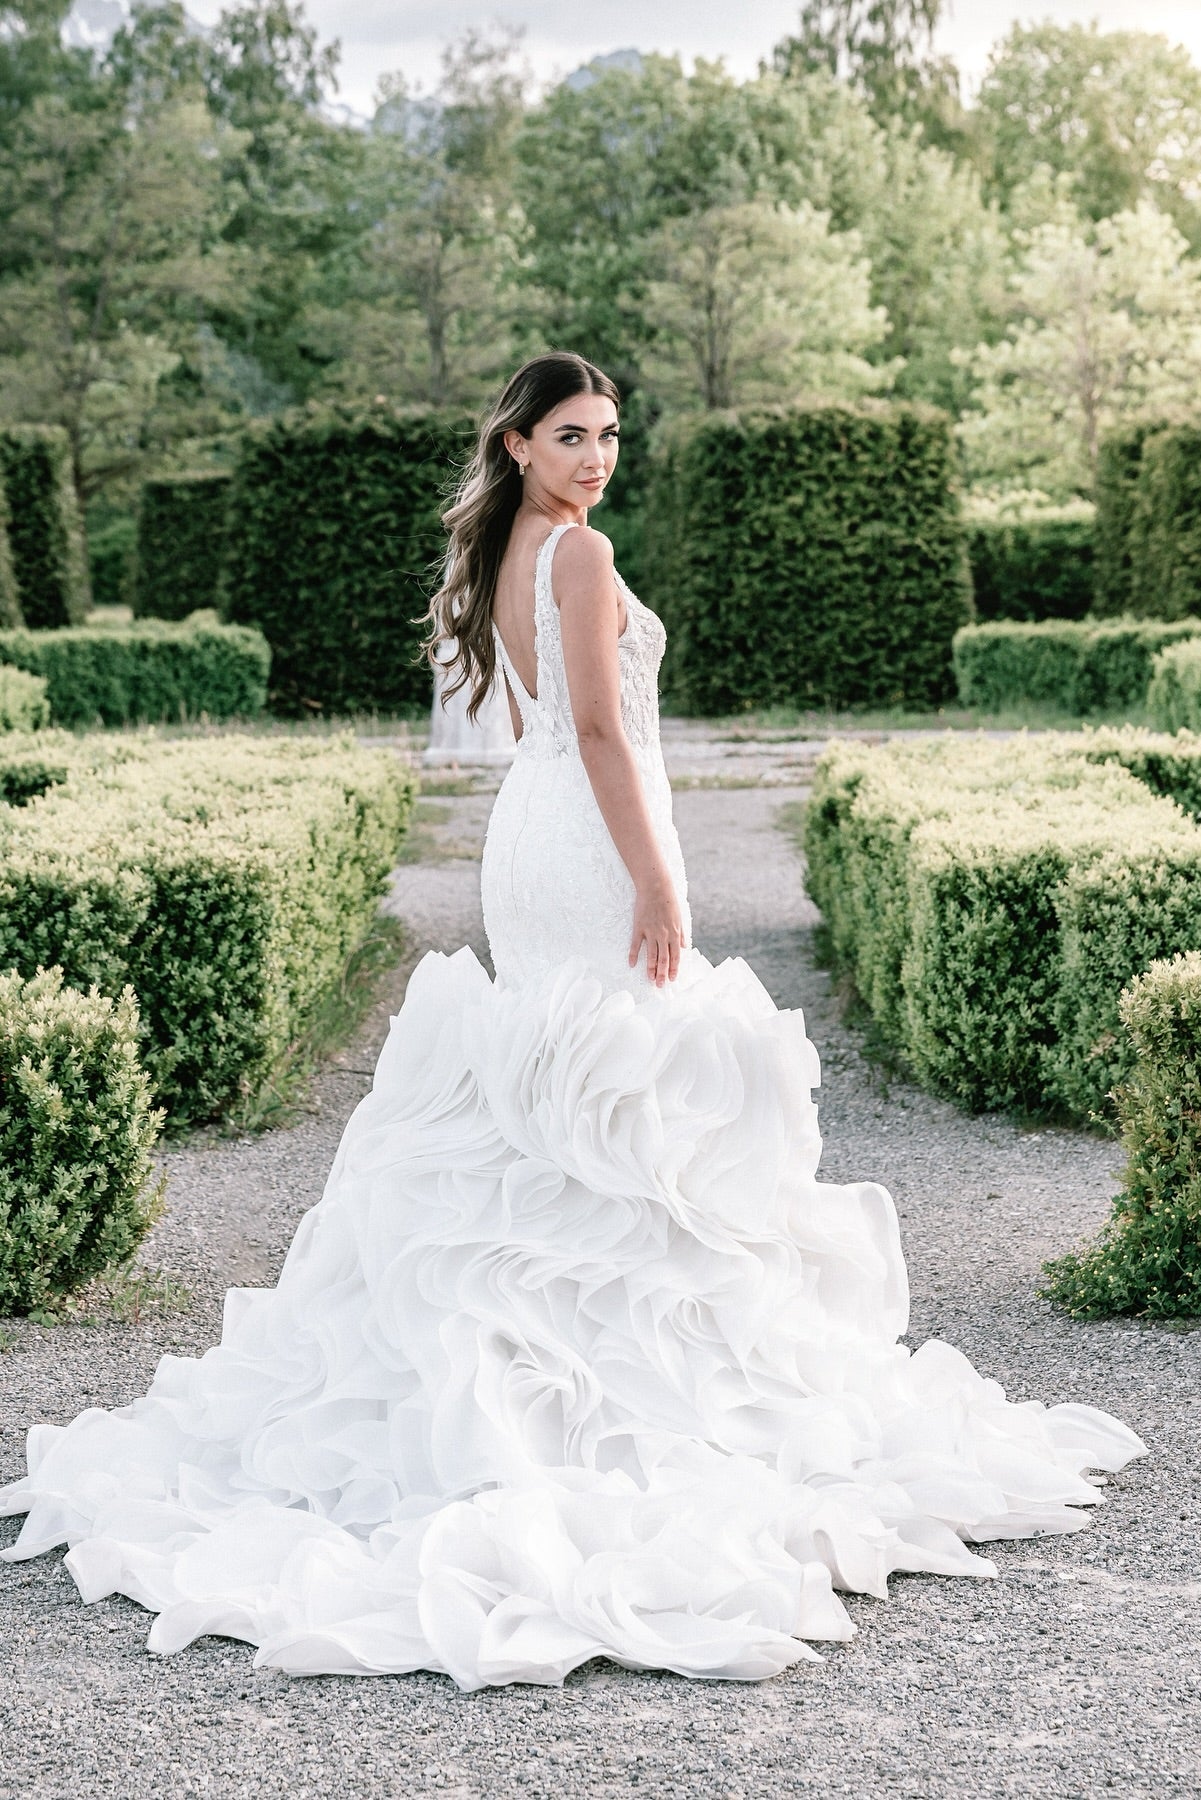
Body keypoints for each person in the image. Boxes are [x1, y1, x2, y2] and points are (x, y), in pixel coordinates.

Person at [0, 352, 1145, 1691]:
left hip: (535, 837)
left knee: (567, 1083)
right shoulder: (578, 557)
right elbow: (601, 732)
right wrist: (662, 877)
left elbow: (561, 727)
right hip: (594, 835)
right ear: (517, 441)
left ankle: (534, 1371)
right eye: (570, 434)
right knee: (622, 1079)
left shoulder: (508, 550)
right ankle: (601, 1402)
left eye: (608, 435)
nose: (596, 456)